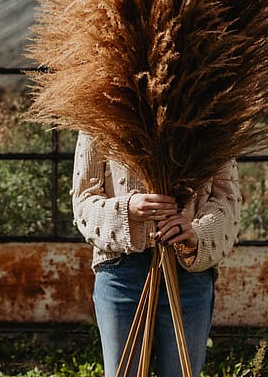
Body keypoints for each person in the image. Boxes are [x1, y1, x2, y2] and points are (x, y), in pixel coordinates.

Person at [71, 131, 242, 377]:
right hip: (120, 271)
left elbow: (227, 200)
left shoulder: (212, 110)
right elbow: (83, 202)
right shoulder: (100, 113)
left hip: (188, 274)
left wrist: (195, 232)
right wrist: (127, 208)